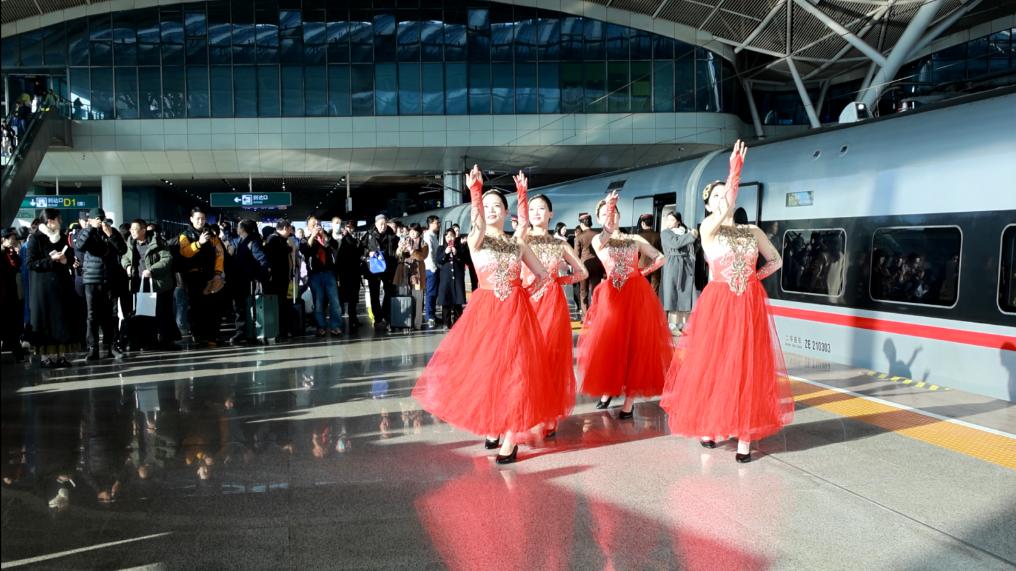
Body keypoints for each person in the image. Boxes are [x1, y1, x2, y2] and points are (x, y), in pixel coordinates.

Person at [413, 165, 562, 465]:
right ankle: (494, 423)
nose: (492, 211)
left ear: (506, 213)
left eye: (498, 206)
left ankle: (510, 436)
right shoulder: (475, 239)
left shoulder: (517, 243)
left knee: (516, 373)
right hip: (486, 314)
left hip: (516, 314)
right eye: (488, 207)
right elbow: (478, 224)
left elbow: (543, 276)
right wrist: (475, 192)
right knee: (490, 371)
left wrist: (523, 294)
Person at [660, 141, 794, 463]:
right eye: (716, 197)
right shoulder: (707, 229)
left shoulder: (752, 231)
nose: (723, 199)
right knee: (715, 364)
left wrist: (750, 279)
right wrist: (734, 173)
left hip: (747, 304)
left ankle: (745, 435)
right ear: (708, 206)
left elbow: (775, 260)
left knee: (747, 367)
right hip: (718, 305)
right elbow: (722, 212)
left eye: (726, 194)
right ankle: (711, 423)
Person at [576, 192, 674, 419]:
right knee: (610, 343)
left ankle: (629, 400)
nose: (609, 217)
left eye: (613, 213)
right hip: (611, 296)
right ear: (600, 219)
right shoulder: (597, 240)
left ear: (620, 215)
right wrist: (609, 208)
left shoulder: (636, 239)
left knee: (635, 346)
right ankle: (609, 389)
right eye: (604, 214)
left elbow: (660, 258)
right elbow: (602, 240)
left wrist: (641, 274)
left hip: (636, 295)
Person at [514, 173, 588, 436]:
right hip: (525, 303)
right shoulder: (521, 239)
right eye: (532, 209)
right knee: (524, 359)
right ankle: (523, 408)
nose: (536, 213)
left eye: (540, 209)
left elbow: (583, 273)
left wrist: (559, 280)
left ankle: (548, 414)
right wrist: (522, 194)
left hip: (552, 305)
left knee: (551, 358)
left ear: (550, 214)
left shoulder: (560, 243)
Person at [26, 209, 78, 368]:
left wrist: (65, 261)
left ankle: (61, 355)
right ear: (49, 221)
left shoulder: (61, 237)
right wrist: (51, 260)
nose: (60, 222)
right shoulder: (36, 238)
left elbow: (70, 256)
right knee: (45, 321)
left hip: (62, 285)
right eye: (58, 219)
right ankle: (45, 357)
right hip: (43, 288)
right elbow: (31, 263)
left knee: (61, 320)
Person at [74, 208, 128, 361]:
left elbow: (122, 249)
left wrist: (110, 235)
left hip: (110, 278)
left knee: (111, 314)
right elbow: (79, 246)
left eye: (102, 218)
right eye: (96, 219)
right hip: (92, 279)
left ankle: (112, 346)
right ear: (89, 220)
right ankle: (93, 348)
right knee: (92, 315)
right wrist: (90, 228)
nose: (100, 221)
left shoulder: (111, 231)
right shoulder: (85, 232)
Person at [122, 219, 178, 350]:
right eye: (131, 229)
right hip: (139, 284)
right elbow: (124, 257)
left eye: (135, 229)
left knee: (162, 313)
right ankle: (147, 341)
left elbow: (167, 258)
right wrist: (128, 266)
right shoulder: (130, 243)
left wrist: (152, 270)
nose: (132, 231)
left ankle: (167, 340)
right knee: (143, 314)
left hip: (159, 284)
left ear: (143, 230)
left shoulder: (157, 241)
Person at [177, 207, 225, 347]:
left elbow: (219, 254)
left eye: (203, 219)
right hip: (194, 277)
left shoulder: (212, 236)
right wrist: (199, 243)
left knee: (213, 308)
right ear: (191, 219)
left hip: (211, 276)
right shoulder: (185, 235)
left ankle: (213, 336)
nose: (201, 221)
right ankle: (199, 336)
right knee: (197, 308)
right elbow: (185, 252)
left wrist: (218, 273)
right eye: (197, 218)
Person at [301, 216, 343, 337]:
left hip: (329, 273)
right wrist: (313, 236)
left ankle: (336, 326)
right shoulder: (306, 240)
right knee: (318, 302)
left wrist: (323, 235)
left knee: (335, 301)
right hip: (315, 275)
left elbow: (335, 246)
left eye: (318, 224)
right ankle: (321, 326)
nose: (316, 226)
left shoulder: (326, 237)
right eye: (313, 225)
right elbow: (305, 251)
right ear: (308, 227)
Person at [231, 219, 271, 344]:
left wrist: (258, 275)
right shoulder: (241, 241)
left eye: (238, 227)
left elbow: (263, 260)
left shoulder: (252, 243)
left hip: (248, 281)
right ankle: (242, 332)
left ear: (242, 229)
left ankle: (250, 333)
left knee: (248, 307)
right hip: (239, 280)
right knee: (240, 307)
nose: (237, 229)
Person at [660, 212, 698, 332]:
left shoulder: (686, 232)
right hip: (672, 265)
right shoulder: (665, 233)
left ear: (678, 221)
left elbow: (695, 247)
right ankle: (672, 325)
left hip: (685, 265)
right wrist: (691, 236)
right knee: (672, 294)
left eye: (672, 220)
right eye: (668, 220)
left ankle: (684, 324)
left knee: (685, 294)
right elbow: (675, 243)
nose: (669, 223)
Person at [363, 214, 399, 330]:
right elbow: (361, 248)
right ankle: (378, 319)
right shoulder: (369, 235)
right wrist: (368, 253)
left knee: (389, 291)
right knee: (375, 294)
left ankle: (385, 314)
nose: (383, 226)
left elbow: (396, 251)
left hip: (389, 267)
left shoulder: (392, 235)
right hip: (374, 268)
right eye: (380, 224)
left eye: (384, 223)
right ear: (376, 224)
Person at [265, 220, 297, 339]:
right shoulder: (273, 239)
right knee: (279, 305)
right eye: (289, 229)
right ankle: (279, 331)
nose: (290, 232)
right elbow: (276, 255)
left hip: (284, 278)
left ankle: (284, 330)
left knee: (284, 304)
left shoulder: (280, 239)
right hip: (277, 280)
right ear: (284, 228)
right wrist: (289, 249)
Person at [394, 224, 428, 329]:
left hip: (417, 273)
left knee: (417, 298)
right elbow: (397, 255)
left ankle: (417, 323)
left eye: (415, 231)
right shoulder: (404, 240)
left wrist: (411, 250)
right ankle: (404, 322)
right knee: (403, 297)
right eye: (411, 231)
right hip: (404, 272)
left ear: (419, 232)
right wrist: (400, 248)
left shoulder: (423, 243)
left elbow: (423, 256)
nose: (412, 233)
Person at [1, 228, 26, 361]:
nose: (14, 240)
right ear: (4, 239)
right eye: (11, 238)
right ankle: (16, 350)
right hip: (4, 294)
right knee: (8, 324)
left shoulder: (11, 253)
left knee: (11, 323)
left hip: (12, 292)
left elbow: (18, 264)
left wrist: (14, 253)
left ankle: (11, 347)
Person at [573, 212, 603, 318]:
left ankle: (586, 316)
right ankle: (596, 314)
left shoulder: (579, 237)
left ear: (581, 224)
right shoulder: (598, 235)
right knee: (595, 291)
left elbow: (576, 255)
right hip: (597, 265)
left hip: (584, 265)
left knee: (583, 291)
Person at [436, 227, 467, 328]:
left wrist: (456, 253)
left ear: (455, 237)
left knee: (458, 301)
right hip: (446, 279)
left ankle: (458, 323)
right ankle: (446, 323)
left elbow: (464, 260)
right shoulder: (441, 248)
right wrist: (445, 252)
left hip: (457, 278)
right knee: (446, 302)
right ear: (445, 238)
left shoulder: (460, 247)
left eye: (452, 236)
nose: (450, 238)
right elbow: (439, 261)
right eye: (448, 236)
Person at [422, 215, 442, 328]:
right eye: (436, 222)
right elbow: (429, 254)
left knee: (433, 293)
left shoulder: (433, 235)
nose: (438, 224)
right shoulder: (428, 236)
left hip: (434, 268)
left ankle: (432, 314)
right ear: (430, 224)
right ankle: (429, 316)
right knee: (430, 293)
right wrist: (434, 268)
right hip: (430, 269)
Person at [637, 214, 663, 296]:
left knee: (642, 289)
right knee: (654, 290)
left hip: (642, 266)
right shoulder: (658, 235)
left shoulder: (638, 236)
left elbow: (636, 253)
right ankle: (653, 307)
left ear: (643, 224)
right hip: (655, 266)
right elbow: (661, 251)